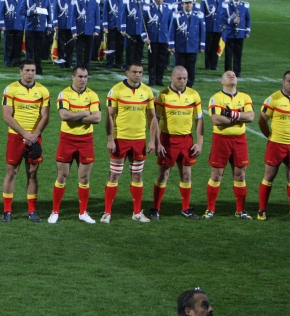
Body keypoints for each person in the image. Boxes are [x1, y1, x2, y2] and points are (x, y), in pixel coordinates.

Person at [102, 63, 158, 223]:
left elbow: (152, 117)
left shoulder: (147, 91)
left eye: (140, 72)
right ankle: (107, 212)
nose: (138, 75)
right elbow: (109, 117)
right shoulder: (116, 90)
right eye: (134, 72)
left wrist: (152, 140)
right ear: (127, 72)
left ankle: (137, 213)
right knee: (114, 174)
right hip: (120, 139)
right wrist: (110, 139)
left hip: (139, 139)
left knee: (137, 174)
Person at [150, 66, 204, 221]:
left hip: (187, 140)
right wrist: (157, 142)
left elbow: (199, 120)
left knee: (186, 174)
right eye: (179, 78)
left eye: (185, 78)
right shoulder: (162, 96)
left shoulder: (193, 95)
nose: (182, 81)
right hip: (168, 140)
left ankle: (186, 208)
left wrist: (199, 142)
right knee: (163, 174)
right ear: (171, 78)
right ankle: (156, 208)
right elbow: (155, 120)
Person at [50, 66, 101, 224]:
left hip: (86, 139)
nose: (83, 79)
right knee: (62, 176)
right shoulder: (64, 93)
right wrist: (85, 113)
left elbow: (97, 118)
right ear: (73, 77)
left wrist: (75, 116)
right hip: (67, 138)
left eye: (85, 76)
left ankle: (83, 212)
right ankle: (55, 211)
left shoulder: (92, 95)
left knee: (84, 178)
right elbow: (64, 116)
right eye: (80, 76)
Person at [1, 60, 50, 222]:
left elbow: (46, 116)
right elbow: (7, 116)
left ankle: (32, 210)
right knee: (11, 172)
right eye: (27, 70)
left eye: (33, 70)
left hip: (35, 137)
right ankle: (7, 210)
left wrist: (35, 134)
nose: (30, 73)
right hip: (16, 137)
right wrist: (24, 133)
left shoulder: (43, 90)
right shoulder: (11, 89)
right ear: (20, 71)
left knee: (32, 173)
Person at [257, 70, 290, 221]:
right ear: (283, 82)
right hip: (276, 144)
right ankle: (261, 210)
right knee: (269, 176)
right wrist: (269, 135)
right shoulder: (273, 99)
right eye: (289, 81)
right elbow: (262, 120)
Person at [204, 71, 255, 220]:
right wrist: (239, 117)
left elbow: (250, 117)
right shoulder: (216, 98)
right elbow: (216, 120)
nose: (232, 76)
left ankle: (240, 210)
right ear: (221, 81)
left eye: (234, 75)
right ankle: (210, 209)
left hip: (240, 140)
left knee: (240, 175)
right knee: (216, 175)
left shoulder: (245, 97)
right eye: (228, 75)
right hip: (221, 139)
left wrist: (230, 114)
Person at [169, 0, 205, 88]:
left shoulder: (198, 15)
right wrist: (171, 45)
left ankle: (189, 85)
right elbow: (172, 30)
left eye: (190, 3)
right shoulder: (177, 15)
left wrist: (202, 46)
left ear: (193, 4)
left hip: (192, 46)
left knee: (191, 67)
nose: (188, 5)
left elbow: (202, 31)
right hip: (180, 46)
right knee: (179, 67)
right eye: (186, 3)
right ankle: (177, 84)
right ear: (182, 5)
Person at [22, 0, 52, 75]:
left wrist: (49, 27)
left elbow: (50, 14)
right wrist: (32, 12)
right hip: (30, 27)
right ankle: (28, 68)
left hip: (41, 27)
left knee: (39, 49)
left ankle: (38, 68)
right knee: (29, 49)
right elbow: (21, 11)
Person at [144, 0, 173, 86]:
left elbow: (170, 24)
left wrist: (170, 38)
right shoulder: (148, 8)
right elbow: (143, 24)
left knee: (161, 61)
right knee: (152, 60)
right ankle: (151, 79)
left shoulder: (167, 8)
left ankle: (159, 79)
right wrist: (145, 37)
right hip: (152, 38)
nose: (160, 0)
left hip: (164, 38)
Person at [220, 0, 251, 77]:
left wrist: (247, 31)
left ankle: (237, 72)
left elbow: (248, 19)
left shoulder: (244, 5)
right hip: (230, 32)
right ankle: (228, 72)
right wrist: (232, 21)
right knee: (228, 54)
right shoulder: (226, 5)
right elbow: (222, 18)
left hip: (240, 33)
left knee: (238, 54)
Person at [73, 0, 102, 70]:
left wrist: (96, 29)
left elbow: (97, 16)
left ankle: (86, 68)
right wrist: (74, 31)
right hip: (80, 29)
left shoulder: (94, 1)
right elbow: (73, 16)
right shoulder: (76, 1)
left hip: (90, 29)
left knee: (88, 51)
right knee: (79, 50)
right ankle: (78, 68)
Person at [201, 0, 228, 71]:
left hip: (219, 27)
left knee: (217, 46)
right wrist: (203, 25)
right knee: (208, 46)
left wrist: (225, 25)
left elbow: (226, 14)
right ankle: (208, 65)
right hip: (209, 26)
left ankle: (214, 64)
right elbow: (202, 13)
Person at [121, 0, 149, 65]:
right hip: (130, 29)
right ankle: (129, 67)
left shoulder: (145, 1)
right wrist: (123, 28)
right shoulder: (127, 1)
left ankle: (138, 66)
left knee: (139, 49)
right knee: (130, 50)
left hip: (141, 30)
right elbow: (123, 15)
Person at [0, 0, 26, 68]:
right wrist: (2, 23)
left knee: (18, 44)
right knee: (8, 44)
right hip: (9, 24)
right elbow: (1, 12)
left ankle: (17, 61)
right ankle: (8, 61)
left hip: (19, 25)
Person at [52, 0, 77, 69]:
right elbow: (55, 11)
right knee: (61, 45)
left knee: (71, 45)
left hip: (72, 25)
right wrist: (55, 24)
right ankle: (61, 62)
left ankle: (68, 63)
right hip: (62, 24)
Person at [102, 0, 125, 69]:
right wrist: (105, 25)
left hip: (121, 26)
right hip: (111, 24)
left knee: (120, 45)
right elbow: (105, 12)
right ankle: (109, 63)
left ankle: (119, 63)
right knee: (110, 45)